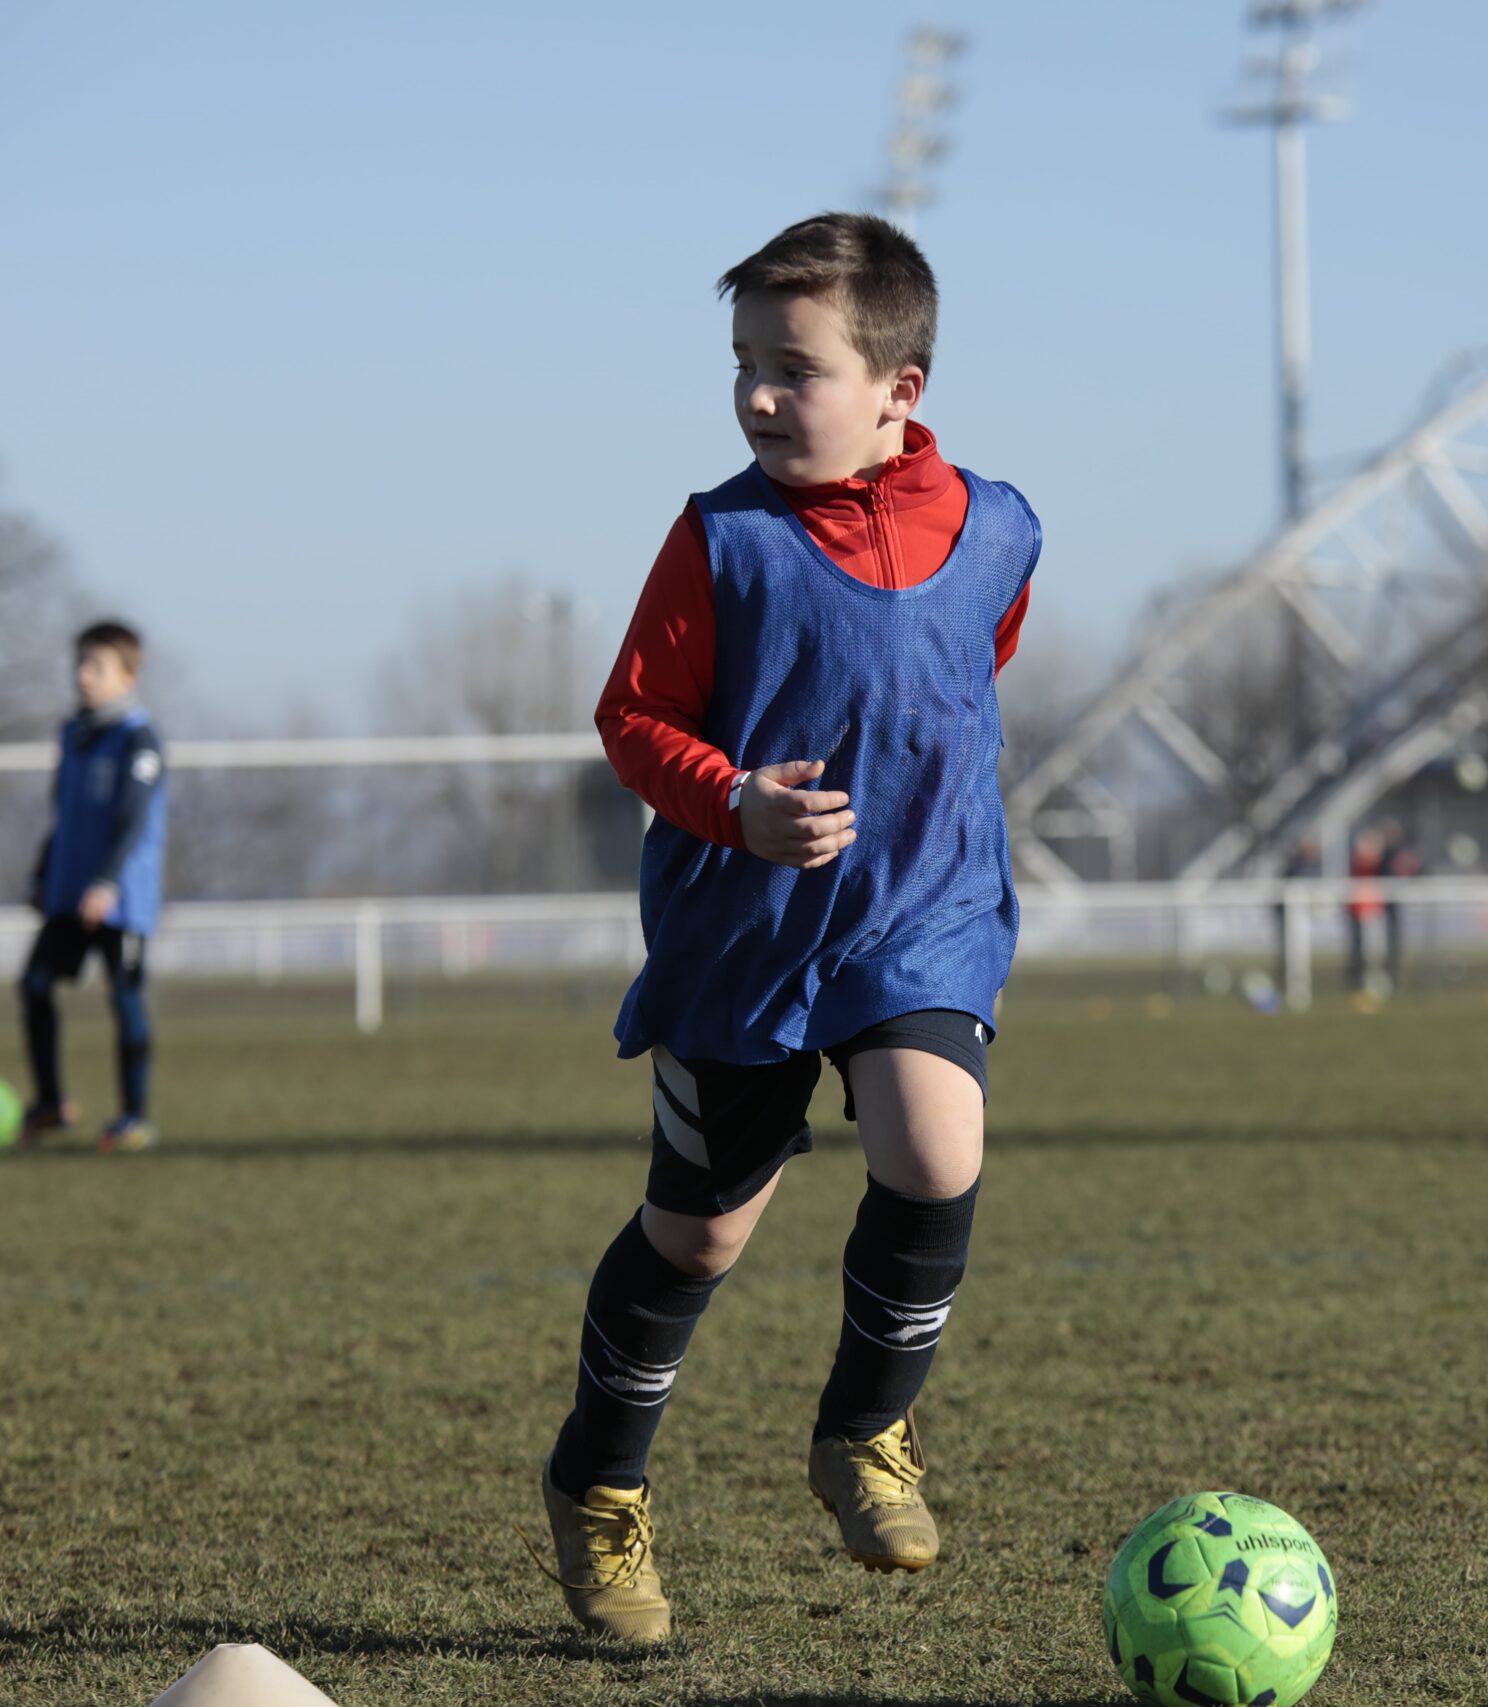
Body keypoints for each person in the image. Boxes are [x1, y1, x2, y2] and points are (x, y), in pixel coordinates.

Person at [538, 213, 1039, 1643]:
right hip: (743, 939)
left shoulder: (999, 529)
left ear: (902, 387)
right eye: (744, 364)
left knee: (936, 1149)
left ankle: (864, 1430)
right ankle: (599, 1486)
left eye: (794, 367)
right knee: (698, 1238)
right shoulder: (721, 540)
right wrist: (734, 800)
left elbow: (957, 673)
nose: (759, 394)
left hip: (918, 916)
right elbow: (631, 721)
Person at [17, 620, 168, 1151]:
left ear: (129, 674)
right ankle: (51, 1103)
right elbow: (63, 814)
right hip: (67, 890)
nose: (83, 676)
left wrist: (107, 882)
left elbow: (132, 817)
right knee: (34, 985)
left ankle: (134, 1117)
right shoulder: (73, 735)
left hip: (120, 897)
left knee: (124, 997)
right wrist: (43, 872)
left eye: (96, 666)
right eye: (80, 663)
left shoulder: (138, 738)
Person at [1344, 823, 1414, 994]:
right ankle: (1360, 980)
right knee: (1363, 949)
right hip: (1361, 912)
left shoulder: (1385, 862)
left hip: (1378, 912)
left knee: (1382, 948)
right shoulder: (1357, 866)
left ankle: (1386, 979)